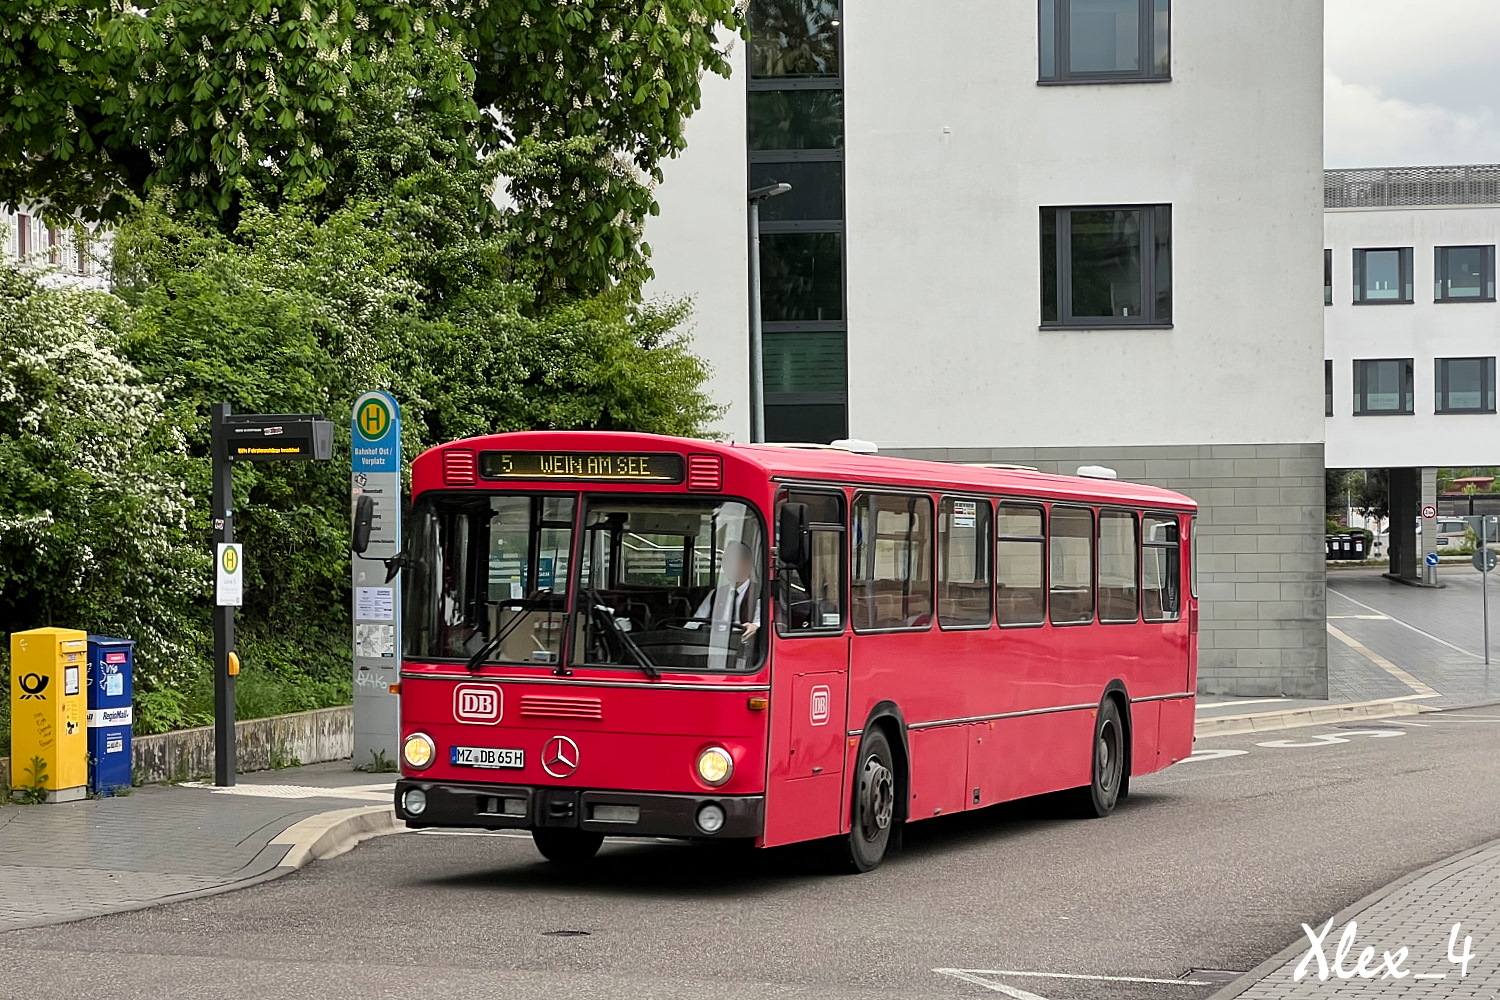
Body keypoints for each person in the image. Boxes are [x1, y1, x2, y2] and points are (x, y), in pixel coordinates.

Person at [694, 540, 761, 639]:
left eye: (736, 561)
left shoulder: (760, 593)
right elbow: (694, 623)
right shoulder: (715, 594)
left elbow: (760, 622)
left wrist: (755, 627)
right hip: (714, 644)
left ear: (748, 565)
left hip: (743, 644)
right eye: (727, 562)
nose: (730, 566)